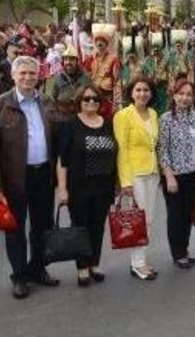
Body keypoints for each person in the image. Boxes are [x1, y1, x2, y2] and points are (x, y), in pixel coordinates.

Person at [0, 56, 61, 299]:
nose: (28, 77)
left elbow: (58, 138)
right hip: (14, 180)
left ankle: (38, 268)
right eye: (23, 73)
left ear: (39, 76)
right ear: (13, 76)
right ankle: (19, 276)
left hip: (43, 175)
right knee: (14, 230)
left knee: (42, 227)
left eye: (32, 73)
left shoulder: (47, 102)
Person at [56, 84, 117, 287]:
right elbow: (62, 160)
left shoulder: (107, 124)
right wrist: (62, 188)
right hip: (79, 187)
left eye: (95, 99)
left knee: (98, 227)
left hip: (103, 186)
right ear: (79, 102)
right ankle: (82, 266)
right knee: (80, 227)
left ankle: (94, 263)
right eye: (87, 99)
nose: (91, 102)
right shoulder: (70, 125)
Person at [113, 76, 161, 280]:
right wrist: (125, 182)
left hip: (152, 172)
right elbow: (122, 150)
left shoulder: (153, 114)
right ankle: (138, 264)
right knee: (138, 220)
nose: (142, 93)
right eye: (138, 90)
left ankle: (140, 260)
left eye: (146, 90)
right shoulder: (123, 116)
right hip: (135, 174)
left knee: (148, 219)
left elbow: (154, 145)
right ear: (131, 93)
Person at [159, 79, 195, 269]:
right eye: (181, 94)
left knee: (187, 214)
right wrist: (169, 175)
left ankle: (184, 250)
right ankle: (177, 254)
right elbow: (162, 149)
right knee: (175, 216)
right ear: (174, 95)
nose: (185, 98)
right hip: (174, 176)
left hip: (193, 174)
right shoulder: (166, 119)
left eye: (189, 94)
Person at [50, 46, 92, 117]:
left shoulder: (85, 78)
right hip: (63, 115)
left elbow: (90, 98)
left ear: (77, 61)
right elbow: (53, 98)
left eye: (72, 59)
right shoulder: (58, 78)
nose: (68, 62)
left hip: (80, 114)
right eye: (66, 59)